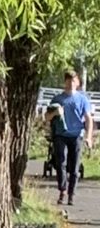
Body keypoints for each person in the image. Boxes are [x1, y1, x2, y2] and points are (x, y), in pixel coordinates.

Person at [47, 70, 93, 207]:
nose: (70, 83)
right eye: (68, 80)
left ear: (77, 83)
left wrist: (89, 137)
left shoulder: (82, 99)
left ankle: (71, 194)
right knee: (60, 162)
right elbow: (47, 117)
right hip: (61, 135)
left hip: (76, 135)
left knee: (74, 167)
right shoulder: (57, 99)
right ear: (64, 82)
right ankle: (63, 190)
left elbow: (88, 118)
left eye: (73, 81)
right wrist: (55, 112)